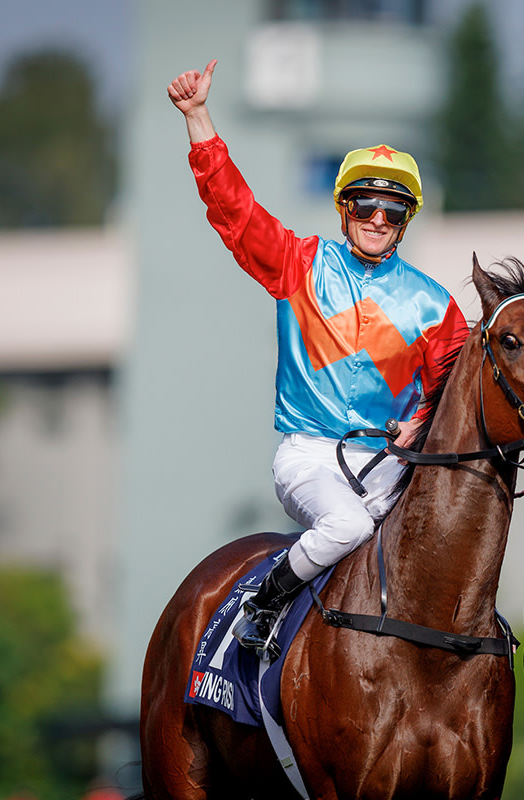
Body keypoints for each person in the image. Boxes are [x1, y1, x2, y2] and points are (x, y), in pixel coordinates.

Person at [167, 60, 469, 658]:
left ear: (407, 221)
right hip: (310, 455)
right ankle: (263, 603)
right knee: (350, 528)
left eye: (393, 211)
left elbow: (454, 391)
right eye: (365, 207)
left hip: (390, 464)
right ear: (343, 210)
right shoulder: (299, 265)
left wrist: (424, 421)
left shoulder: (438, 305)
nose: (377, 221)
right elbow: (235, 211)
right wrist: (199, 117)